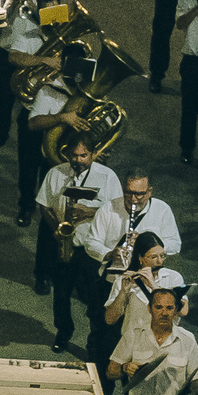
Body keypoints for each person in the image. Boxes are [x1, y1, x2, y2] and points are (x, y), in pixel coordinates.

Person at [37, 131, 124, 357]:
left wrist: (89, 211)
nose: (78, 160)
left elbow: (117, 210)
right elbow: (44, 205)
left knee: (95, 300)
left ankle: (94, 344)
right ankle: (63, 332)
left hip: (93, 249)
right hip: (66, 244)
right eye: (74, 155)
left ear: (94, 154)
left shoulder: (108, 176)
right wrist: (56, 228)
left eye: (83, 155)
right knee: (61, 296)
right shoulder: (56, 173)